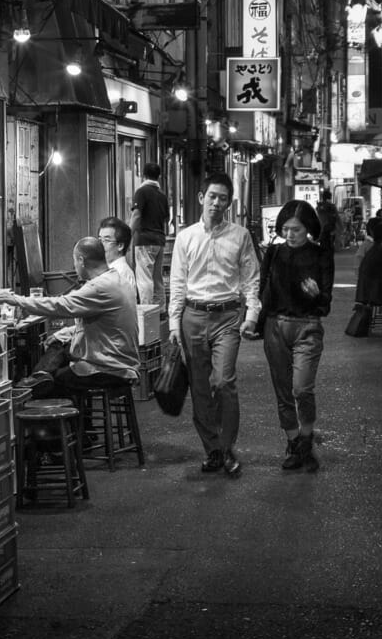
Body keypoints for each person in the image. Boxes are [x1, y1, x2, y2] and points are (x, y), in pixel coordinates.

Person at [168, 172, 261, 478]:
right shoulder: (185, 237)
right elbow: (178, 285)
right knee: (199, 388)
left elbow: (251, 280)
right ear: (201, 198)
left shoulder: (240, 236)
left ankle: (228, 446)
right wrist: (173, 324)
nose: (217, 202)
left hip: (228, 317)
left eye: (223, 198)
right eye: (212, 196)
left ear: (229, 202)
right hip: (192, 317)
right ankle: (213, 450)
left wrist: (250, 317)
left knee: (223, 382)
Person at [0, 237, 140, 396]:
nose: (75, 266)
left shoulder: (100, 287)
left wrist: (17, 300)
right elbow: (106, 325)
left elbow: (60, 305)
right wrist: (65, 334)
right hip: (124, 361)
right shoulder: (117, 279)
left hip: (110, 368)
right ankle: (37, 379)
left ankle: (36, 390)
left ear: (81, 260)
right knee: (59, 343)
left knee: (51, 385)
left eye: (75, 261)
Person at [255, 200, 334, 471]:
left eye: (296, 230)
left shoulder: (321, 254)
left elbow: (326, 302)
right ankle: (294, 445)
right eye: (285, 229)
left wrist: (317, 294)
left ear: (308, 229)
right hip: (275, 327)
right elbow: (261, 291)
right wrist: (252, 320)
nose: (290, 234)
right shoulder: (273, 253)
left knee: (302, 388)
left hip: (307, 326)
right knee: (283, 391)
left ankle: (307, 437)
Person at [130, 162, 170, 307]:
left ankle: (147, 311)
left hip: (144, 239)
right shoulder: (162, 195)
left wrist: (128, 235)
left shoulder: (141, 191)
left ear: (143, 174)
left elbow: (136, 215)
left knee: (144, 278)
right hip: (159, 240)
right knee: (157, 277)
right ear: (158, 176)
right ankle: (160, 310)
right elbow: (167, 219)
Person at [97, 216, 137, 294]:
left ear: (120, 246)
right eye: (100, 240)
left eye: (106, 240)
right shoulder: (109, 269)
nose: (100, 245)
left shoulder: (119, 272)